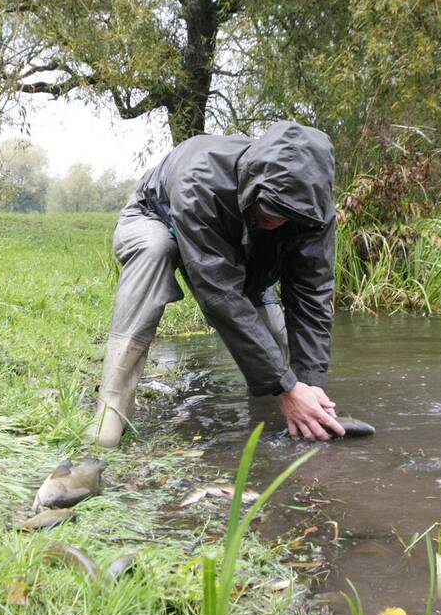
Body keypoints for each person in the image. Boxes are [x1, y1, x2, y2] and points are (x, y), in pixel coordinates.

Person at [93, 120, 346, 447]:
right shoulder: (199, 181)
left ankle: (277, 419)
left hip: (244, 249)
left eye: (286, 217)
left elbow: (312, 296)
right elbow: (220, 296)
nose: (276, 223)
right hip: (155, 218)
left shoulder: (314, 210)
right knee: (155, 249)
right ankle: (110, 411)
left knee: (279, 354)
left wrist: (309, 384)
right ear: (255, 182)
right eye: (269, 211)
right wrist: (284, 386)